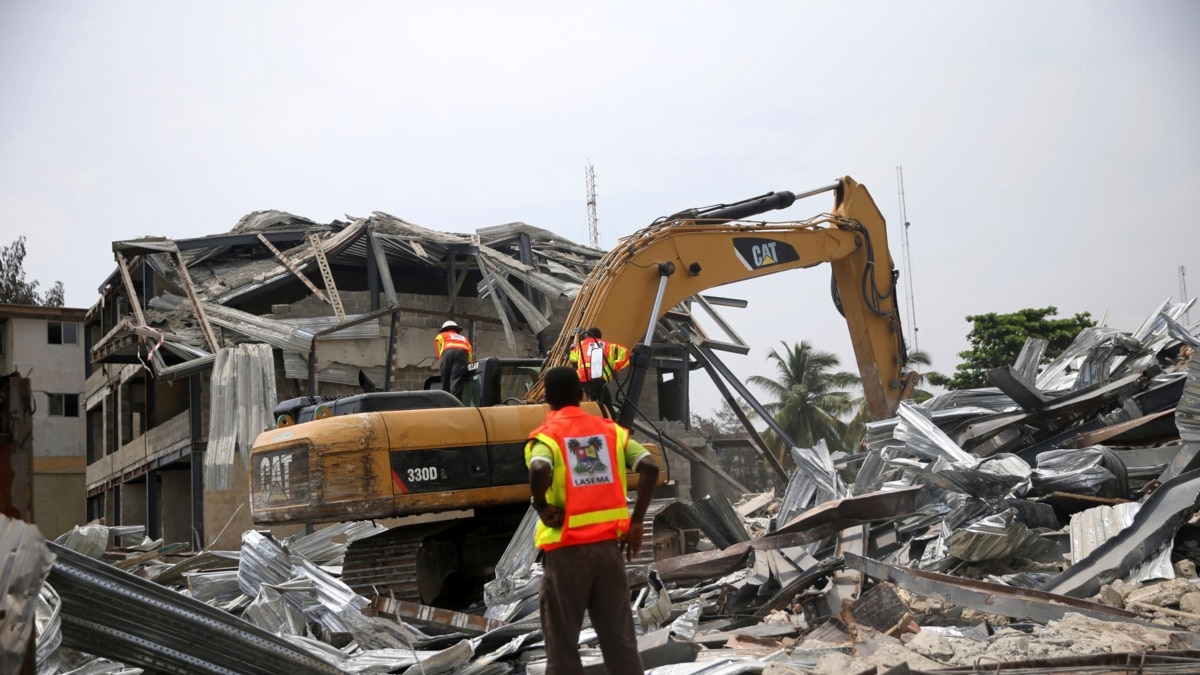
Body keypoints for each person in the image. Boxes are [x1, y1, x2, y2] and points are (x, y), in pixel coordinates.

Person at [525, 366, 659, 674]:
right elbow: (650, 468)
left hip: (566, 554)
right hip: (609, 554)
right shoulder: (610, 432)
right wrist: (636, 523)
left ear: (547, 398)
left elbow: (538, 470)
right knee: (620, 643)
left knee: (562, 649)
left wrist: (540, 503)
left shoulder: (547, 437)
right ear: (581, 395)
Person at [567, 327, 630, 416]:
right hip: (598, 379)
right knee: (607, 407)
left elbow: (573, 358)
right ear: (599, 337)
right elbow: (625, 352)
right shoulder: (608, 346)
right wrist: (616, 367)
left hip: (581, 378)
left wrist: (572, 348)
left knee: (577, 402)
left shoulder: (581, 345)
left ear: (587, 335)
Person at [434, 319, 472, 400]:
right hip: (462, 353)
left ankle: (445, 399)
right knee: (456, 380)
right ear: (457, 330)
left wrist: (443, 359)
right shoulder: (464, 338)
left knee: (445, 378)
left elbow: (439, 350)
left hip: (447, 353)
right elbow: (469, 353)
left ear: (443, 330)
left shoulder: (441, 335)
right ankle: (455, 402)